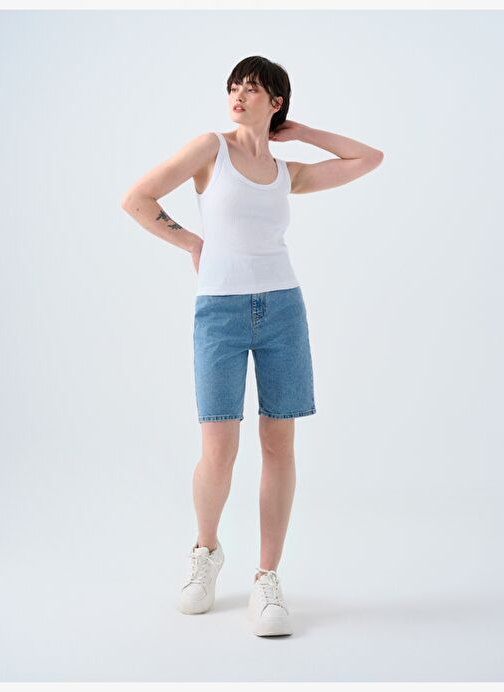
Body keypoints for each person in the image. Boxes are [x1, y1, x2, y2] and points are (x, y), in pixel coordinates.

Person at [121, 55, 384, 637]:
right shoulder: (209, 149)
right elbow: (137, 199)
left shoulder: (288, 172)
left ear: (276, 103)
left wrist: (303, 132)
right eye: (233, 87)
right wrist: (193, 242)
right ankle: (205, 551)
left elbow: (369, 159)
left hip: (283, 310)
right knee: (218, 448)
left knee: (278, 443)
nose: (238, 96)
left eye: (252, 89)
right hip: (219, 312)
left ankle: (267, 577)